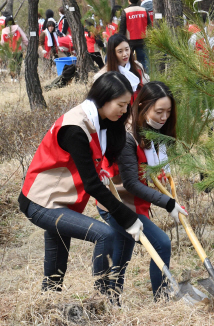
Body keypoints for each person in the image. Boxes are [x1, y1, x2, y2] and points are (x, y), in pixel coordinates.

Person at [18, 72, 141, 296]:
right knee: (105, 235)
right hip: (41, 201)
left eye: (127, 105)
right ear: (104, 99)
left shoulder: (97, 122)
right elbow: (92, 185)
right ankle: (102, 299)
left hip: (60, 200)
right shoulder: (75, 127)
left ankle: (49, 303)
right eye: (121, 105)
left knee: (57, 262)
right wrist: (126, 216)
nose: (125, 111)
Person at [97, 81, 186, 299]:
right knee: (161, 243)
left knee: (122, 252)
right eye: (159, 112)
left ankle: (110, 298)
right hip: (117, 203)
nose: (164, 117)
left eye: (168, 112)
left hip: (130, 203)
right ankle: (162, 297)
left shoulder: (153, 132)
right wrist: (168, 203)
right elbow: (131, 183)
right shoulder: (129, 136)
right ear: (143, 106)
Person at [94, 34, 149, 100]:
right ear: (112, 53)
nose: (125, 54)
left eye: (127, 49)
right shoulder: (103, 75)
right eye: (120, 51)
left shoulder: (137, 67)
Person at [119, 0, 151, 72]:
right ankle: (146, 78)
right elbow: (149, 26)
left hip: (129, 42)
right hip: (143, 41)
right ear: (138, 0)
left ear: (128, 0)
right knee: (143, 62)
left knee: (127, 62)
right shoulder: (144, 10)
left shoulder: (125, 12)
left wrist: (120, 41)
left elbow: (122, 29)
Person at [0, 15, 28, 82]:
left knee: (11, 64)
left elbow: (2, 43)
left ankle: (12, 78)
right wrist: (27, 46)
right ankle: (17, 77)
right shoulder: (17, 28)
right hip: (18, 50)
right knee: (18, 64)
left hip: (9, 52)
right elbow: (24, 39)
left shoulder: (4, 31)